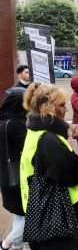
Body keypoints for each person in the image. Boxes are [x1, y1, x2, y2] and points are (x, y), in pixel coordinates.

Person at [21, 82, 78, 249]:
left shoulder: (36, 132)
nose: (66, 109)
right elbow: (73, 175)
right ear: (46, 108)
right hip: (56, 222)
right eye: (61, 105)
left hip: (41, 215)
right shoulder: (48, 139)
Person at [0, 87, 27, 250]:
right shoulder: (15, 125)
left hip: (8, 175)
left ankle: (17, 246)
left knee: (20, 213)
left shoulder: (7, 122)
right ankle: (6, 244)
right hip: (16, 177)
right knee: (31, 213)